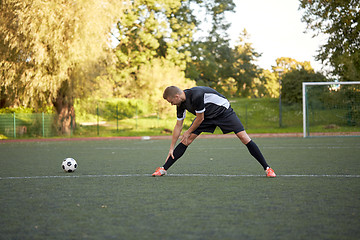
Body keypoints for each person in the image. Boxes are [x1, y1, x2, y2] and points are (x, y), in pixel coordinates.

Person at [152, 86, 276, 177]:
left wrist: (188, 131)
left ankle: (267, 168)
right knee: (186, 140)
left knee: (243, 137)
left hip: (223, 112)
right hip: (206, 116)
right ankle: (163, 169)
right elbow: (178, 125)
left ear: (177, 96)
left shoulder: (196, 95)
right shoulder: (180, 104)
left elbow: (200, 118)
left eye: (171, 102)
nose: (171, 104)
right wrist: (171, 147)